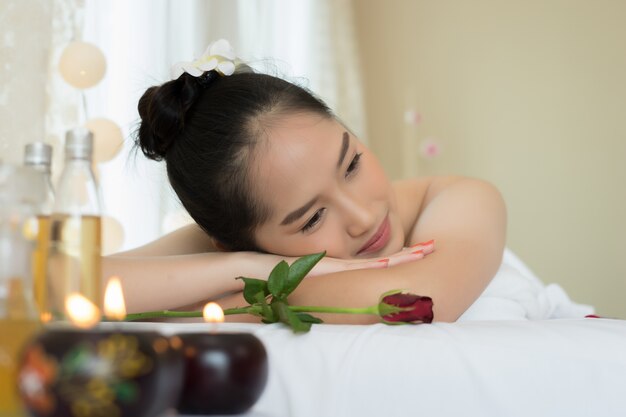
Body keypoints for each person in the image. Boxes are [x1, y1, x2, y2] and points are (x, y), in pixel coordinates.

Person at [103, 40, 507, 323]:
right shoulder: (245, 246)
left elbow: (416, 299)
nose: (362, 217)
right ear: (237, 245)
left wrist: (228, 304)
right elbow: (63, 285)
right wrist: (246, 267)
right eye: (312, 219)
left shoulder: (462, 198)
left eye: (351, 165)